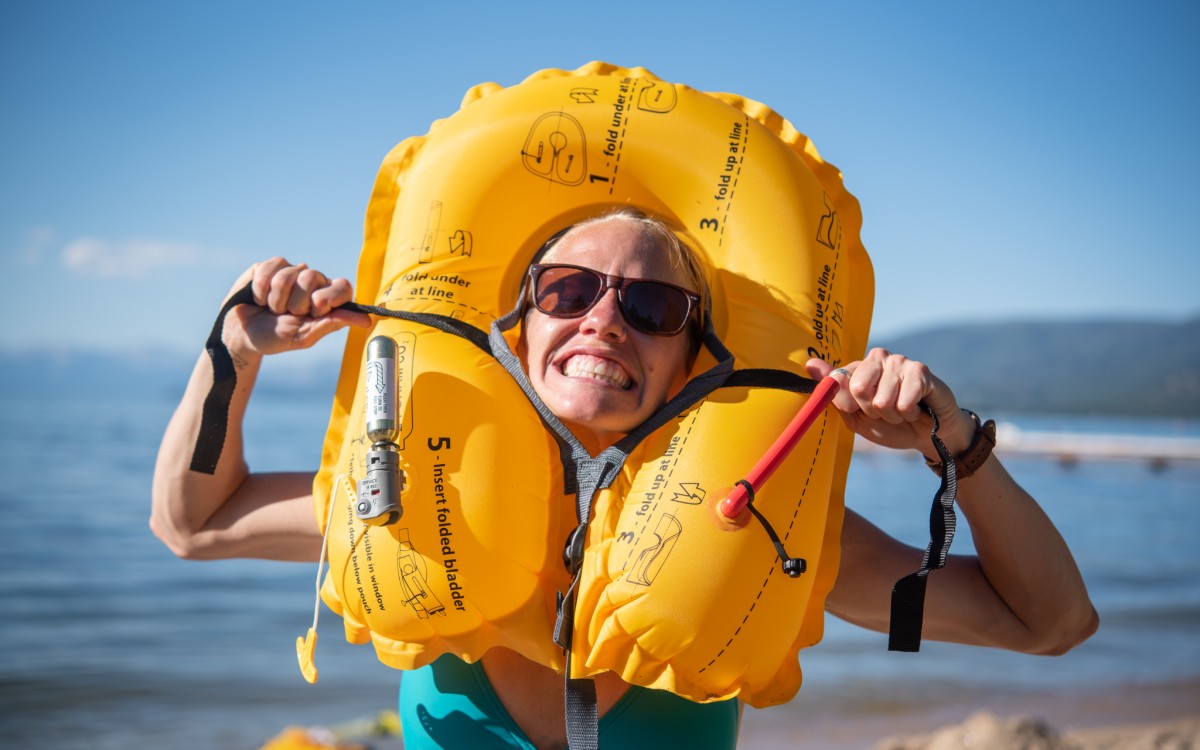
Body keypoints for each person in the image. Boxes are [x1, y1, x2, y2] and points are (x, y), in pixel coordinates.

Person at [152, 211, 1098, 749]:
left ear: (693, 358)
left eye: (650, 305)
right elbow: (193, 523)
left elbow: (1050, 624)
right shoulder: (416, 507)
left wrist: (957, 443)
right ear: (518, 327)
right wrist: (232, 353)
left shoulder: (764, 537)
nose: (605, 320)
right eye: (568, 291)